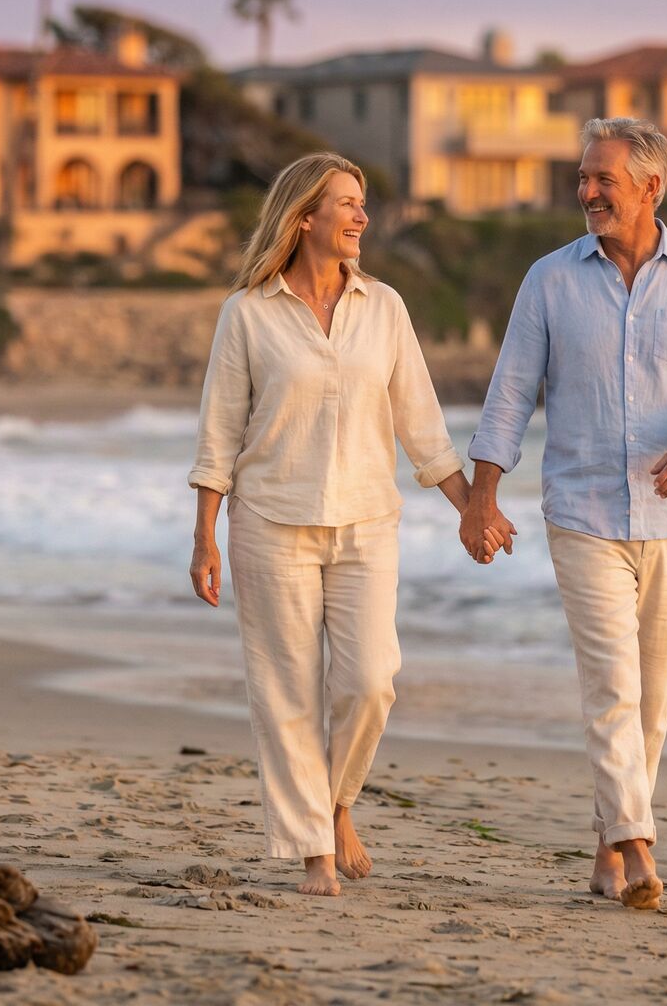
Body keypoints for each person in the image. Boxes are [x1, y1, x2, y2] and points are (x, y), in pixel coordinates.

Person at [459, 118, 667, 911]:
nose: (586, 192)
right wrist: (481, 497)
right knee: (613, 688)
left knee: (652, 701)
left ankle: (605, 847)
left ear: (651, 188)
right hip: (582, 512)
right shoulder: (549, 281)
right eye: (583, 178)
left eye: (603, 180)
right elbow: (510, 395)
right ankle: (639, 845)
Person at [188, 152, 497, 896]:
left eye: (362, 204)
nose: (362, 217)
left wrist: (472, 510)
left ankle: (336, 803)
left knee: (370, 680)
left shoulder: (384, 307)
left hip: (365, 522)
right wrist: (205, 535)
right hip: (271, 522)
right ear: (305, 219)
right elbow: (218, 432)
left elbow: (419, 423)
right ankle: (314, 852)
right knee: (286, 690)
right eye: (348, 204)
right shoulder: (248, 314)